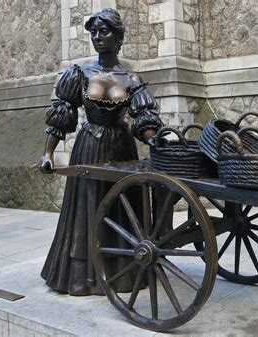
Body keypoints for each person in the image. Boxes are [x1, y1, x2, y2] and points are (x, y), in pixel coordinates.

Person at [38, 8, 163, 295]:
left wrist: (154, 139)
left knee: (122, 208)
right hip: (89, 146)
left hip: (121, 148)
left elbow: (143, 117)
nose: (97, 37)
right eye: (94, 32)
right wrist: (48, 152)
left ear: (118, 38)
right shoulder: (80, 74)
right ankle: (84, 277)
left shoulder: (131, 78)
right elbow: (62, 113)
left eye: (104, 31)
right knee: (88, 209)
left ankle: (123, 274)